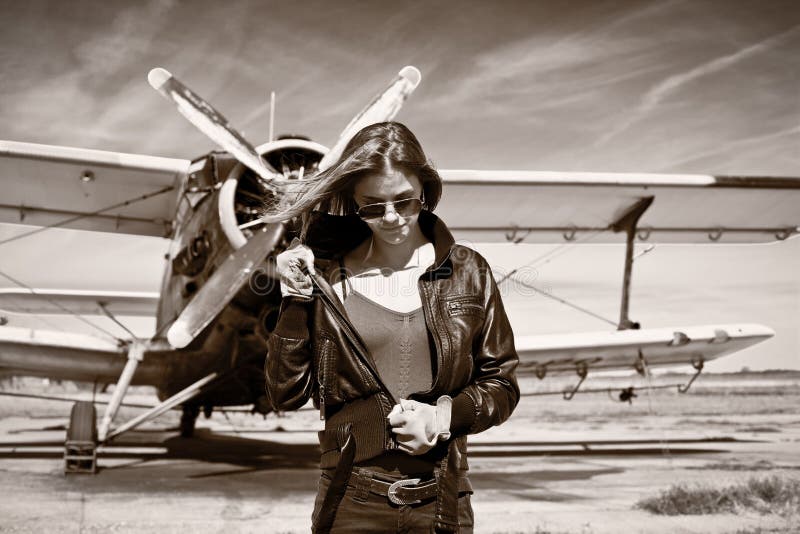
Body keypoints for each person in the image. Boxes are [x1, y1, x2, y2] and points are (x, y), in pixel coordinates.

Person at [264, 121, 519, 533]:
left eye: (405, 202)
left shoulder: (468, 270)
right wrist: (295, 296)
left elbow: (502, 383)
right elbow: (285, 393)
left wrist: (442, 418)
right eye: (372, 206)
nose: (390, 217)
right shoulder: (325, 275)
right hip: (350, 501)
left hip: (443, 499)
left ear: (425, 191)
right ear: (353, 201)